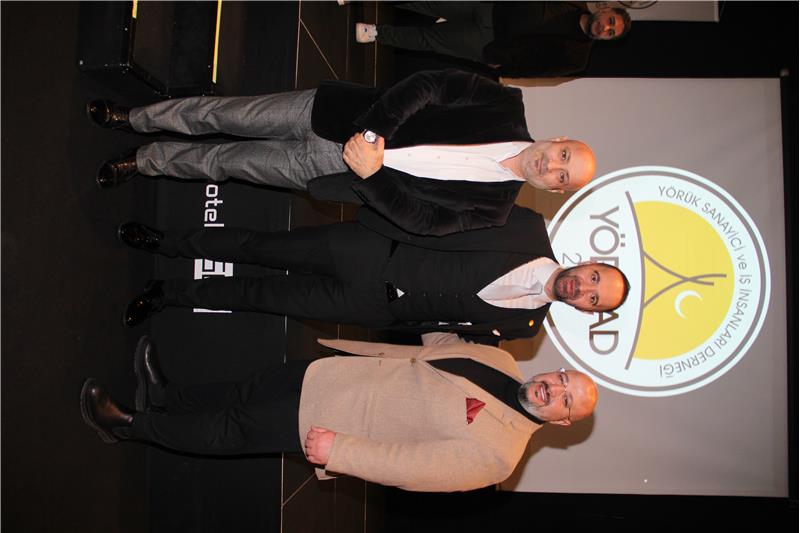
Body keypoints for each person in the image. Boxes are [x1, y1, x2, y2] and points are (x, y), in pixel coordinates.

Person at [87, 69, 596, 236]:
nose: (553, 167)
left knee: (224, 163)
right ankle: (136, 117)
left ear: (555, 191)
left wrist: (371, 174)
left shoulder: (493, 210)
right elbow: (428, 86)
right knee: (222, 115)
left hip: (337, 174)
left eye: (562, 177)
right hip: (332, 115)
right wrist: (374, 133)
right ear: (558, 139)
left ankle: (145, 161)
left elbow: (423, 220)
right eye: (564, 156)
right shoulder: (504, 104)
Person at [80, 333, 599, 492]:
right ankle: (166, 396)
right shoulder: (504, 362)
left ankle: (128, 425)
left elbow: (415, 469)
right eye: (562, 378)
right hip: (338, 375)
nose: (554, 388)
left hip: (334, 424)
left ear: (562, 422)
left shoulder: (500, 456)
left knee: (230, 430)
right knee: (245, 389)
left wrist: (341, 452)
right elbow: (440, 347)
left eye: (566, 399)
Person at [117, 203, 630, 342]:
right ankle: (166, 241)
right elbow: (449, 207)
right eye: (595, 279)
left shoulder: (526, 328)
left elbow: (451, 332)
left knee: (263, 297)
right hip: (370, 249)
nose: (584, 288)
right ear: (592, 262)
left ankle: (167, 293)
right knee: (262, 247)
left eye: (594, 298)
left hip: (371, 308)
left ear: (588, 313)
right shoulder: (528, 226)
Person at [355, 2, 632, 78]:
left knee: (430, 40)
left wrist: (504, 67)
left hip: (490, 44)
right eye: (610, 22)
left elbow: (538, 70)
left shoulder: (578, 58)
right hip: (490, 5)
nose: (605, 28)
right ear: (606, 10)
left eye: (610, 33)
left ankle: (376, 33)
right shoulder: (574, 2)